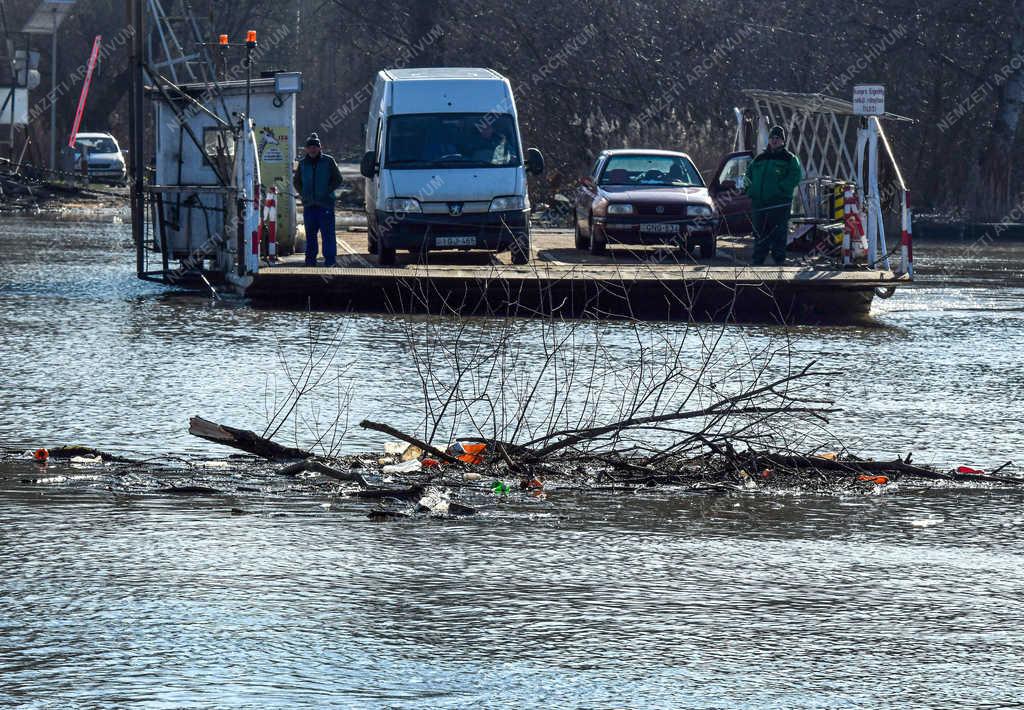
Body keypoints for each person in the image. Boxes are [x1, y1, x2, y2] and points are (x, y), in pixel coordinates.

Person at [745, 125, 803, 265]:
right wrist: (750, 190)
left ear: (783, 141)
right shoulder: (759, 159)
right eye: (772, 137)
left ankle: (779, 263)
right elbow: (748, 175)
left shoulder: (789, 159)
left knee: (778, 234)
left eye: (777, 138)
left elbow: (795, 176)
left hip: (779, 204)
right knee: (760, 234)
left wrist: (781, 189)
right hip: (759, 204)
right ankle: (757, 263)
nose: (774, 140)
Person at [293, 132, 343, 266]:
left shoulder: (328, 161)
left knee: (328, 234)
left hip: (325, 205)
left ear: (320, 148)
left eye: (315, 146)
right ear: (306, 149)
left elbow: (338, 179)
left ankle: (330, 261)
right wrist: (303, 193)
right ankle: (310, 261)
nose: (313, 149)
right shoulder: (303, 164)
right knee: (310, 235)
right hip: (309, 205)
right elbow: (296, 181)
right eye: (310, 147)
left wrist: (327, 191)